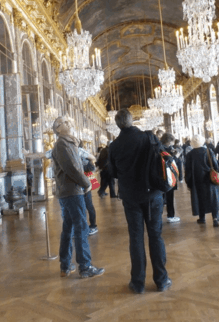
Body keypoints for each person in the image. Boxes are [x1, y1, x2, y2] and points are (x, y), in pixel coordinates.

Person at [109, 108, 171, 294]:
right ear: (132, 120)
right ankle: (161, 280)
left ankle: (137, 283)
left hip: (130, 197)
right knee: (155, 236)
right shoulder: (149, 137)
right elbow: (164, 159)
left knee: (135, 238)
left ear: (117, 125)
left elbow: (112, 173)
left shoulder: (114, 146)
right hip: (152, 194)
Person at [51, 116, 104, 279]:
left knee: (68, 228)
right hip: (72, 191)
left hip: (68, 191)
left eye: (68, 121)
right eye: (64, 123)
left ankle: (66, 265)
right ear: (58, 129)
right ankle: (85, 266)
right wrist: (87, 183)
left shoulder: (67, 142)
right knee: (81, 227)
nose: (69, 123)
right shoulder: (63, 143)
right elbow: (73, 168)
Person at [185, 134, 219, 227]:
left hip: (197, 181)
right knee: (213, 199)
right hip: (210, 179)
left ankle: (202, 218)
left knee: (199, 199)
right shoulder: (208, 151)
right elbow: (215, 165)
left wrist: (188, 182)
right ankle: (215, 218)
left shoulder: (189, 155)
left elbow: (187, 170)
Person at [78, 142, 98, 236]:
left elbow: (92, 167)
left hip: (85, 183)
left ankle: (93, 225)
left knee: (88, 205)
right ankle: (82, 227)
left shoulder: (85, 155)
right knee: (80, 206)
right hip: (77, 183)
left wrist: (82, 167)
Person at [160, 132, 180, 223]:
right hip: (168, 176)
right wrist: (176, 156)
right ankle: (171, 216)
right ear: (168, 141)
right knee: (169, 197)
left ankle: (160, 216)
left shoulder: (161, 148)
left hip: (162, 176)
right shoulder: (164, 150)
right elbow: (169, 162)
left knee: (162, 197)